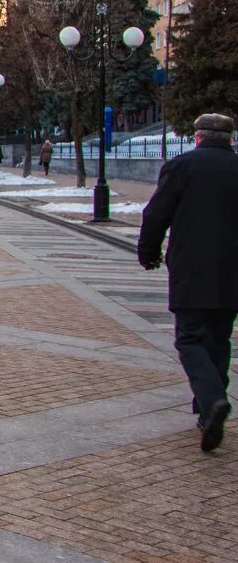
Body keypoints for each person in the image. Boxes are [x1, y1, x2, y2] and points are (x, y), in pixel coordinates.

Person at [138, 113, 238, 452]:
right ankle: (208, 411)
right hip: (233, 271)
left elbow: (156, 214)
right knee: (219, 337)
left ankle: (212, 401)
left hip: (192, 269)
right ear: (230, 139)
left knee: (190, 338)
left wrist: (148, 252)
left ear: (197, 137)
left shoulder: (182, 166)